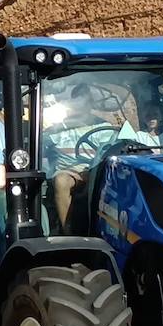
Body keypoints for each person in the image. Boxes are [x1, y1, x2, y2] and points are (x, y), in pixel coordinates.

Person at [46, 83, 110, 231]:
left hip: (94, 169)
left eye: (86, 102)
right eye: (78, 101)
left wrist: (93, 172)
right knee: (61, 181)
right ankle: (67, 230)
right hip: (66, 171)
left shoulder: (102, 126)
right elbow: (41, 144)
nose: (82, 106)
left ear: (90, 104)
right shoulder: (59, 127)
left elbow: (110, 150)